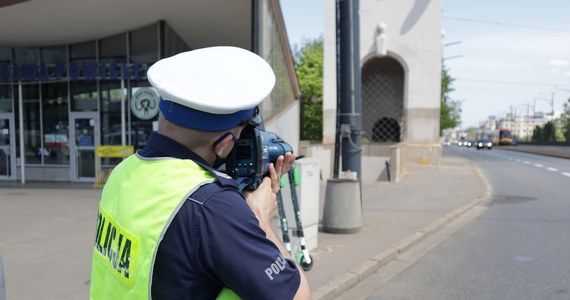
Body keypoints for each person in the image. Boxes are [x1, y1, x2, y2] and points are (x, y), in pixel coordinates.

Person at [89, 46, 311, 299]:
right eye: (242, 134)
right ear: (224, 143)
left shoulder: (123, 172)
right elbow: (297, 295)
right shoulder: (212, 206)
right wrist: (260, 222)